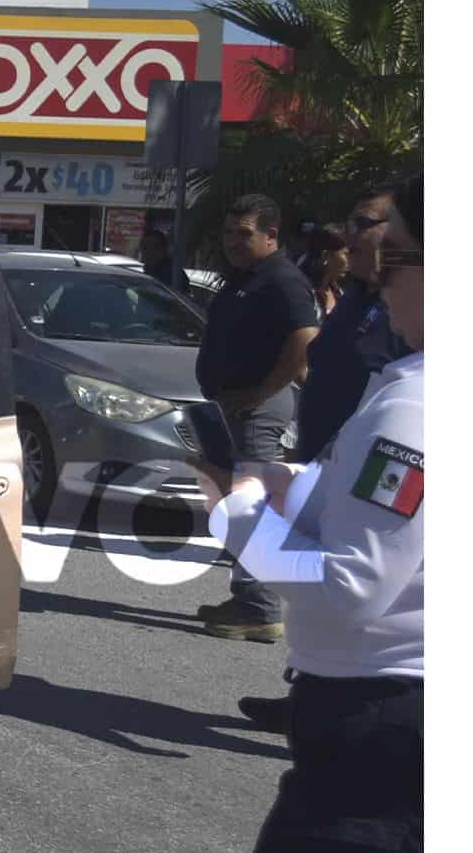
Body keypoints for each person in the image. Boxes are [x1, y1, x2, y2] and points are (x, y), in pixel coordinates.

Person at [198, 172, 421, 853]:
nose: (373, 271)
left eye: (392, 252)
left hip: (381, 723)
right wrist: (290, 480)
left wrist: (241, 514)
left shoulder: (416, 405)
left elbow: (352, 582)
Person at [239, 186, 408, 732]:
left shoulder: (403, 310)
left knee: (354, 585)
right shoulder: (354, 296)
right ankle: (308, 690)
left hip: (376, 466)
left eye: (365, 222)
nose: (350, 234)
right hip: (331, 457)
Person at [193, 194, 322, 643]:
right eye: (229, 232)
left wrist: (259, 393)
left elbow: (305, 342)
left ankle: (259, 607)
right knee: (240, 504)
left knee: (255, 507)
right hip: (236, 406)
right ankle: (247, 597)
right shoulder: (248, 277)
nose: (233, 241)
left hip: (260, 409)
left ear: (271, 236)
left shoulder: (283, 280)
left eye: (243, 233)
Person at [138, 228, 181, 293]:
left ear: (164, 249)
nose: (148, 252)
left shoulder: (173, 276)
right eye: (144, 247)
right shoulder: (147, 273)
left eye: (154, 247)